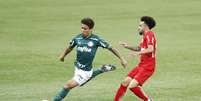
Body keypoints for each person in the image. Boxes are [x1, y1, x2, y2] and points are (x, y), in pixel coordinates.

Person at [53, 17, 127, 101]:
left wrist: (122, 59)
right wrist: (63, 56)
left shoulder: (96, 40)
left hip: (85, 72)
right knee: (81, 83)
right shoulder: (77, 38)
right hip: (77, 68)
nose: (82, 30)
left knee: (67, 86)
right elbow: (70, 48)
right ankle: (101, 70)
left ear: (91, 29)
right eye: (82, 28)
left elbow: (111, 48)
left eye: (85, 28)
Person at [114, 16, 157, 101]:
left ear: (145, 26)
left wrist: (138, 53)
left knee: (132, 86)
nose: (138, 28)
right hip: (142, 65)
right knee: (125, 82)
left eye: (140, 26)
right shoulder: (144, 36)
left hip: (148, 66)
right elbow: (139, 48)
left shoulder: (149, 34)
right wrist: (127, 46)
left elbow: (150, 49)